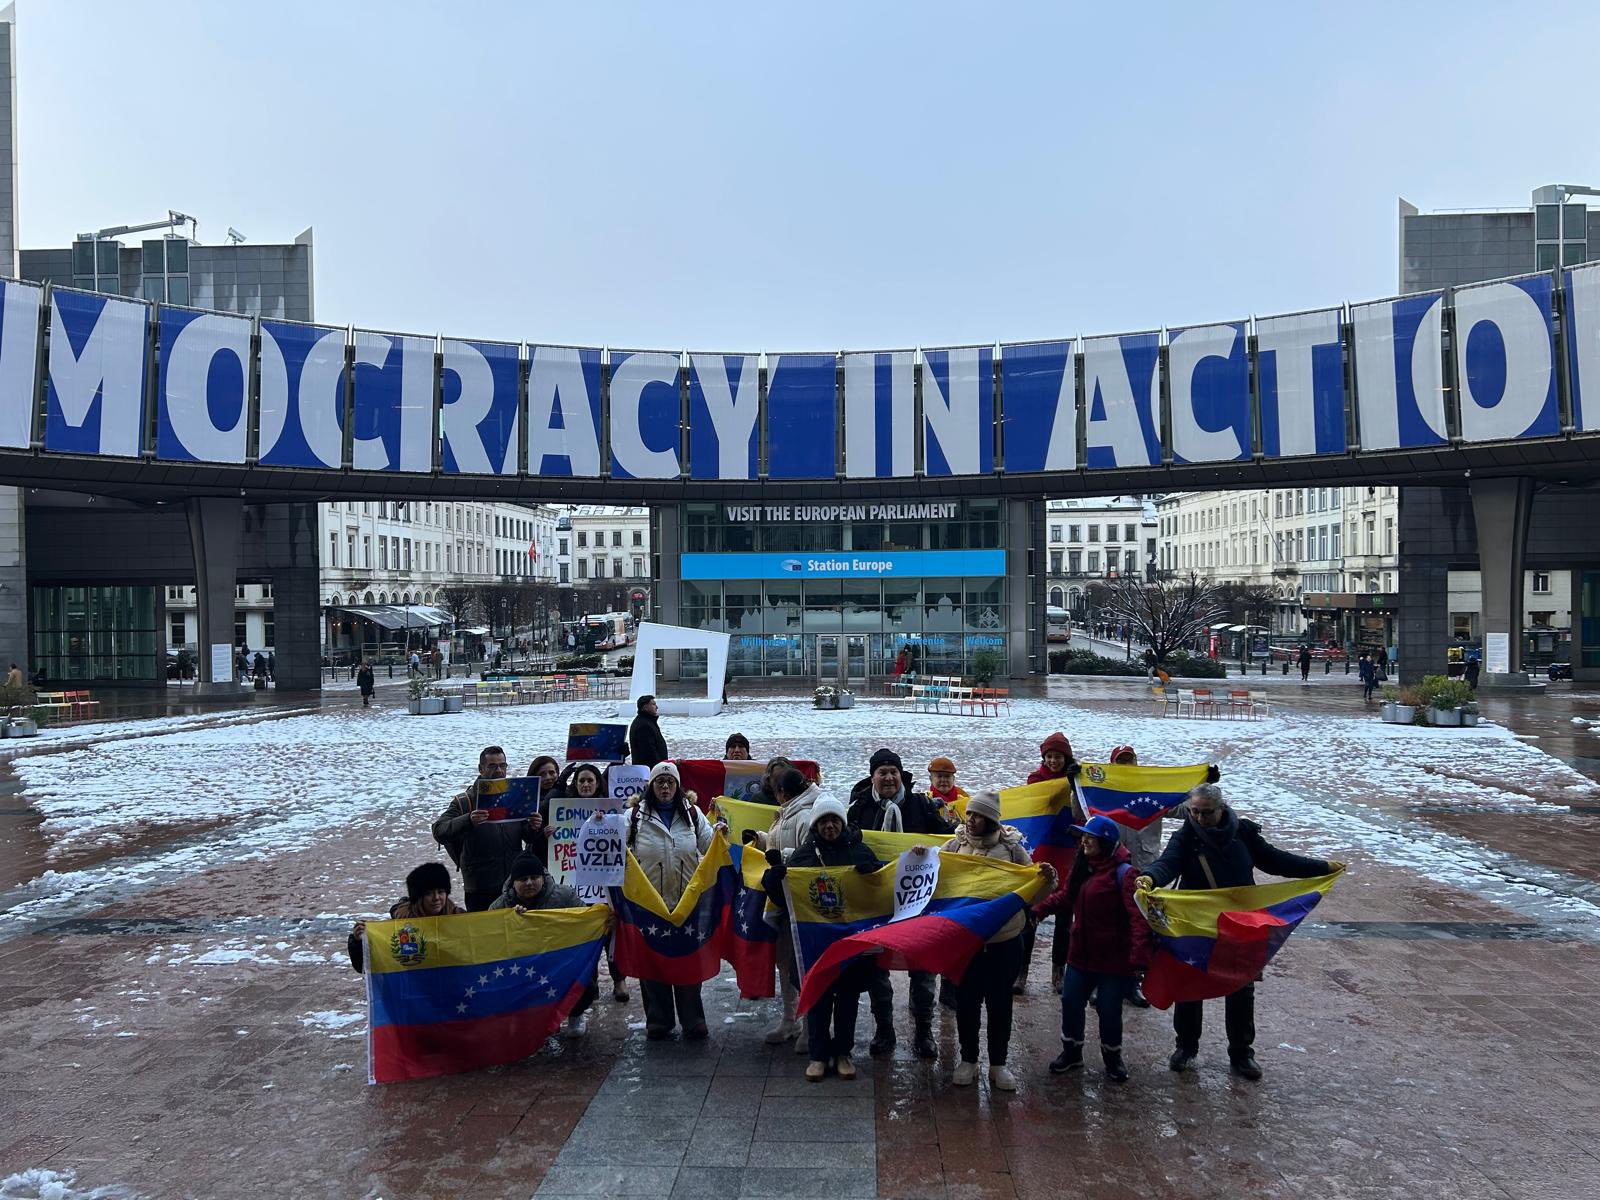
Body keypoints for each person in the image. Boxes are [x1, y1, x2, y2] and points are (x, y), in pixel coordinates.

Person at [1138, 783, 1342, 1079]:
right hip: (1197, 924)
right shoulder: (1185, 837)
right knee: (1189, 984)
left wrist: (1321, 868)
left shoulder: (1244, 833)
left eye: (1206, 812)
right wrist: (1149, 877)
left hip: (1239, 925)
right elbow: (1167, 864)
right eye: (1194, 811)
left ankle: (1242, 1054)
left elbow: (1276, 860)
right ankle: (1186, 1047)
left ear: (1221, 809)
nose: (1199, 817)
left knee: (1241, 988)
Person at [762, 794, 882, 1082]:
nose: (830, 826)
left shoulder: (860, 852)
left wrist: (875, 873)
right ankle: (818, 1054)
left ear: (842, 822)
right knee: (817, 996)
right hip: (815, 942)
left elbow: (881, 888)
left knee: (847, 999)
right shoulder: (803, 856)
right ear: (816, 826)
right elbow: (786, 900)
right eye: (824, 821)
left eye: (834, 820)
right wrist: (773, 881)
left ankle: (842, 1053)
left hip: (849, 941)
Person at [847, 748, 956, 1058]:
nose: (889, 777)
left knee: (923, 968)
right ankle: (885, 1030)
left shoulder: (920, 805)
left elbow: (949, 840)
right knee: (876, 968)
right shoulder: (858, 809)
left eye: (893, 771)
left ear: (901, 775)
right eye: (882, 772)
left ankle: (924, 1031)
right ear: (873, 778)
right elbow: (846, 845)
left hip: (919, 899)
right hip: (877, 902)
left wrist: (932, 849)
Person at [946, 791, 1054, 1091]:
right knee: (966, 1003)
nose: (970, 820)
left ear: (991, 819)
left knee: (1000, 1004)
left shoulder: (1013, 850)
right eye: (968, 814)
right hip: (966, 942)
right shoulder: (955, 845)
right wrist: (918, 854)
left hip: (1004, 941)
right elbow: (933, 871)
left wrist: (1047, 878)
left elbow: (1033, 891)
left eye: (977, 815)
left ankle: (998, 1063)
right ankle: (968, 1059)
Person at [1050, 815, 1151, 1083]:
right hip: (1080, 955)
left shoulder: (1125, 875)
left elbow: (1137, 918)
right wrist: (1037, 910)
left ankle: (1113, 1058)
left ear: (1105, 842)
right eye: (1083, 835)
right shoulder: (1082, 866)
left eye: (1090, 837)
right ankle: (1071, 1053)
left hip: (1113, 961)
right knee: (1071, 1002)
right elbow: (1066, 897)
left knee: (1108, 1010)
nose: (1084, 840)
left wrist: (1139, 959)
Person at [628, 762, 715, 1039]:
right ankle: (658, 1019)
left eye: (670, 782)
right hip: (649, 903)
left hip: (686, 901)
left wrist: (722, 832)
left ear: (678, 787)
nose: (665, 787)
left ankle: (693, 1019)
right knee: (652, 962)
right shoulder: (632, 817)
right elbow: (618, 855)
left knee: (688, 961)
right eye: (659, 782)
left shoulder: (692, 814)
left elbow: (709, 846)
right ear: (650, 786)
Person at [746, 765, 822, 1049]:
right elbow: (778, 843)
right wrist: (761, 840)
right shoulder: (787, 812)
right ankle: (791, 1019)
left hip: (798, 903)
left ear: (781, 793)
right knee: (786, 962)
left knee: (801, 965)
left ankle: (807, 1023)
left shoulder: (804, 815)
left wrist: (782, 859)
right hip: (781, 900)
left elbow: (809, 855)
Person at [489, 850, 595, 1037]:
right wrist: (510, 921)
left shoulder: (565, 896)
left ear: (543, 877)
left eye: (534, 877)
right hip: (523, 969)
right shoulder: (500, 907)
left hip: (560, 963)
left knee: (585, 976)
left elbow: (587, 922)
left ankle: (575, 1014)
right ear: (513, 882)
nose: (529, 883)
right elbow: (489, 940)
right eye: (523, 879)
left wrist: (604, 918)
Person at [431, 746, 544, 912]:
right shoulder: (465, 801)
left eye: (503, 765)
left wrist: (534, 827)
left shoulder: (515, 797)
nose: (499, 770)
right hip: (480, 889)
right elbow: (439, 831)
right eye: (492, 766)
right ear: (480, 768)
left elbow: (526, 837)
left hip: (513, 885)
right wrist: (468, 820)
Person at [346, 862, 465, 972]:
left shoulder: (460, 919)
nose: (436, 898)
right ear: (418, 897)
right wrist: (358, 942)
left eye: (441, 891)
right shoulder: (399, 926)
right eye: (429, 893)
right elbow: (365, 967)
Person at [628, 694, 670, 769]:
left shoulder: (648, 722)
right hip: (649, 771)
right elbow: (649, 752)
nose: (657, 707)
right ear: (645, 707)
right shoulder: (643, 725)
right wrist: (660, 768)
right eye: (653, 704)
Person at [926, 756, 970, 825]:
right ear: (931, 779)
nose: (943, 780)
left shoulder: (966, 802)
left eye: (947, 776)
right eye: (939, 776)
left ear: (953, 778)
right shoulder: (924, 802)